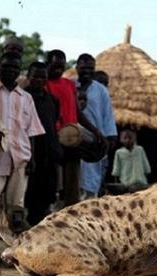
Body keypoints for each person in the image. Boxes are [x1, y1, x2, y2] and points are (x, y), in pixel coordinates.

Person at [0, 52, 45, 217]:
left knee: (16, 206)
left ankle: (14, 240)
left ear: (20, 71)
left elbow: (32, 130)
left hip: (19, 157)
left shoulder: (26, 98)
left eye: (15, 67)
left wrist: (32, 158)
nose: (10, 70)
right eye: (6, 66)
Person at [47, 50, 103, 205]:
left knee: (72, 182)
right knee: (55, 183)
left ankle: (71, 213)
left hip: (73, 138)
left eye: (62, 65)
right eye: (55, 65)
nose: (59, 68)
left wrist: (95, 130)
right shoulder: (44, 84)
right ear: (48, 64)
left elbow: (77, 112)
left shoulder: (69, 84)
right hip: (53, 139)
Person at [24, 61, 63, 225]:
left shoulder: (52, 100)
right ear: (28, 77)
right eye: (35, 76)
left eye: (43, 77)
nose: (39, 80)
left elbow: (52, 125)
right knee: (29, 195)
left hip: (49, 153)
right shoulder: (24, 97)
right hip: (31, 152)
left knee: (47, 195)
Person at [75, 53, 117, 198]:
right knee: (72, 178)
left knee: (91, 178)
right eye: (83, 68)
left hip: (95, 140)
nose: (87, 71)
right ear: (77, 67)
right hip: (72, 138)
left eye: (90, 68)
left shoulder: (101, 90)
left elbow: (107, 115)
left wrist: (110, 136)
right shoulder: (70, 85)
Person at [111, 129, 151, 193]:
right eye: (125, 138)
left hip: (140, 182)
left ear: (134, 138)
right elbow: (116, 168)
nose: (127, 140)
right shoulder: (119, 152)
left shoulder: (140, 149)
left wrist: (146, 178)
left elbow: (145, 164)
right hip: (126, 183)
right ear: (121, 139)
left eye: (130, 138)